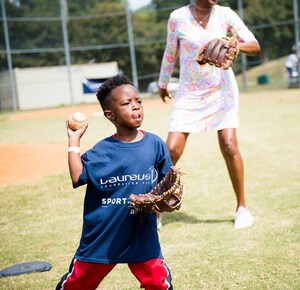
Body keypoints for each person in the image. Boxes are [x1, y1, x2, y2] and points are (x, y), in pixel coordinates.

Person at [56, 75, 173, 290]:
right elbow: (77, 176)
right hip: (104, 233)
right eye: (127, 104)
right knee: (78, 284)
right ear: (110, 115)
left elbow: (168, 182)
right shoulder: (103, 150)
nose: (136, 107)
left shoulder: (155, 144)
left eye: (138, 101)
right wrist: (74, 140)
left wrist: (166, 200)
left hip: (141, 231)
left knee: (157, 282)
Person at [157, 0, 261, 230]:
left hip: (221, 89)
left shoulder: (225, 14)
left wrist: (233, 43)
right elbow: (170, 51)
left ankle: (242, 208)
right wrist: (163, 83)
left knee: (229, 145)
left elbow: (254, 45)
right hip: (189, 92)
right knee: (172, 148)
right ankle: (155, 208)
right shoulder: (178, 17)